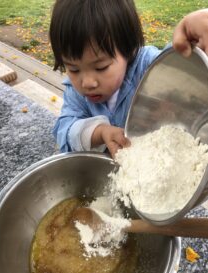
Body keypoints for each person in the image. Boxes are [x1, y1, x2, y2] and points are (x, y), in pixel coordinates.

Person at [49, 0, 208, 158]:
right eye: (73, 69)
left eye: (101, 67)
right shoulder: (75, 92)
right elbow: (64, 129)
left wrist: (193, 33)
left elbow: (181, 63)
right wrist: (100, 132)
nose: (87, 83)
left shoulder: (148, 67)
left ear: (128, 49)